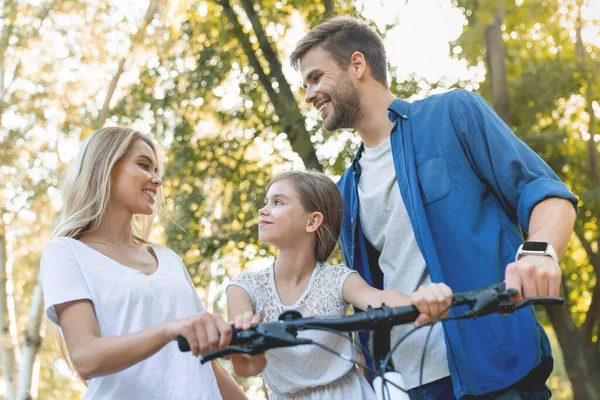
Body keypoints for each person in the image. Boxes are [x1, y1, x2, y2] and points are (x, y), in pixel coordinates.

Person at [289, 16, 578, 400]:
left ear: (357, 65)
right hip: (410, 385)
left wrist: (540, 253)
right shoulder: (346, 190)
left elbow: (545, 193)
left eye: (315, 78)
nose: (309, 95)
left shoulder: (453, 114)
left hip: (498, 372)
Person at [40, 127, 245, 400]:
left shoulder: (169, 259)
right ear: (106, 168)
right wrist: (170, 329)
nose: (157, 180)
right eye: (144, 165)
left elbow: (206, 363)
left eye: (157, 170)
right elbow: (86, 357)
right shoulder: (66, 252)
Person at [226, 170, 454, 399]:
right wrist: (246, 350)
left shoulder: (337, 279)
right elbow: (248, 367)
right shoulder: (244, 288)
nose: (263, 209)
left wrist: (421, 300)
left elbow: (377, 298)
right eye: (266, 201)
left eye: (278, 202)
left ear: (312, 221)